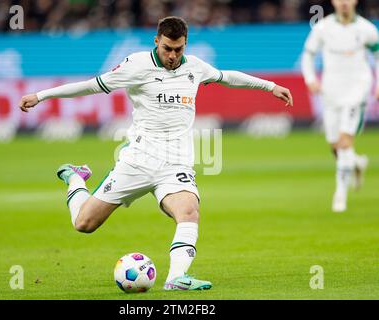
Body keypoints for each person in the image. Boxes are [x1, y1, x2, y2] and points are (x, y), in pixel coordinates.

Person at [19, 16, 293, 290]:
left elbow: (228, 77)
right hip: (138, 161)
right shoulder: (136, 65)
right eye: (167, 48)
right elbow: (92, 85)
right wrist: (42, 96)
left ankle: (175, 279)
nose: (173, 55)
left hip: (176, 164)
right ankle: (76, 178)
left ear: (185, 45)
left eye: (179, 49)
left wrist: (270, 87)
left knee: (189, 212)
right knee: (84, 224)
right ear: (156, 42)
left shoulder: (194, 67)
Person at [302, 0, 379, 213]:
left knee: (345, 141)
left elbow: (377, 55)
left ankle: (340, 196)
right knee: (335, 145)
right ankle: (356, 163)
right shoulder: (323, 28)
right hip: (331, 91)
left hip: (357, 90)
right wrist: (310, 79)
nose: (344, 2)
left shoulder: (367, 29)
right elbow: (308, 55)